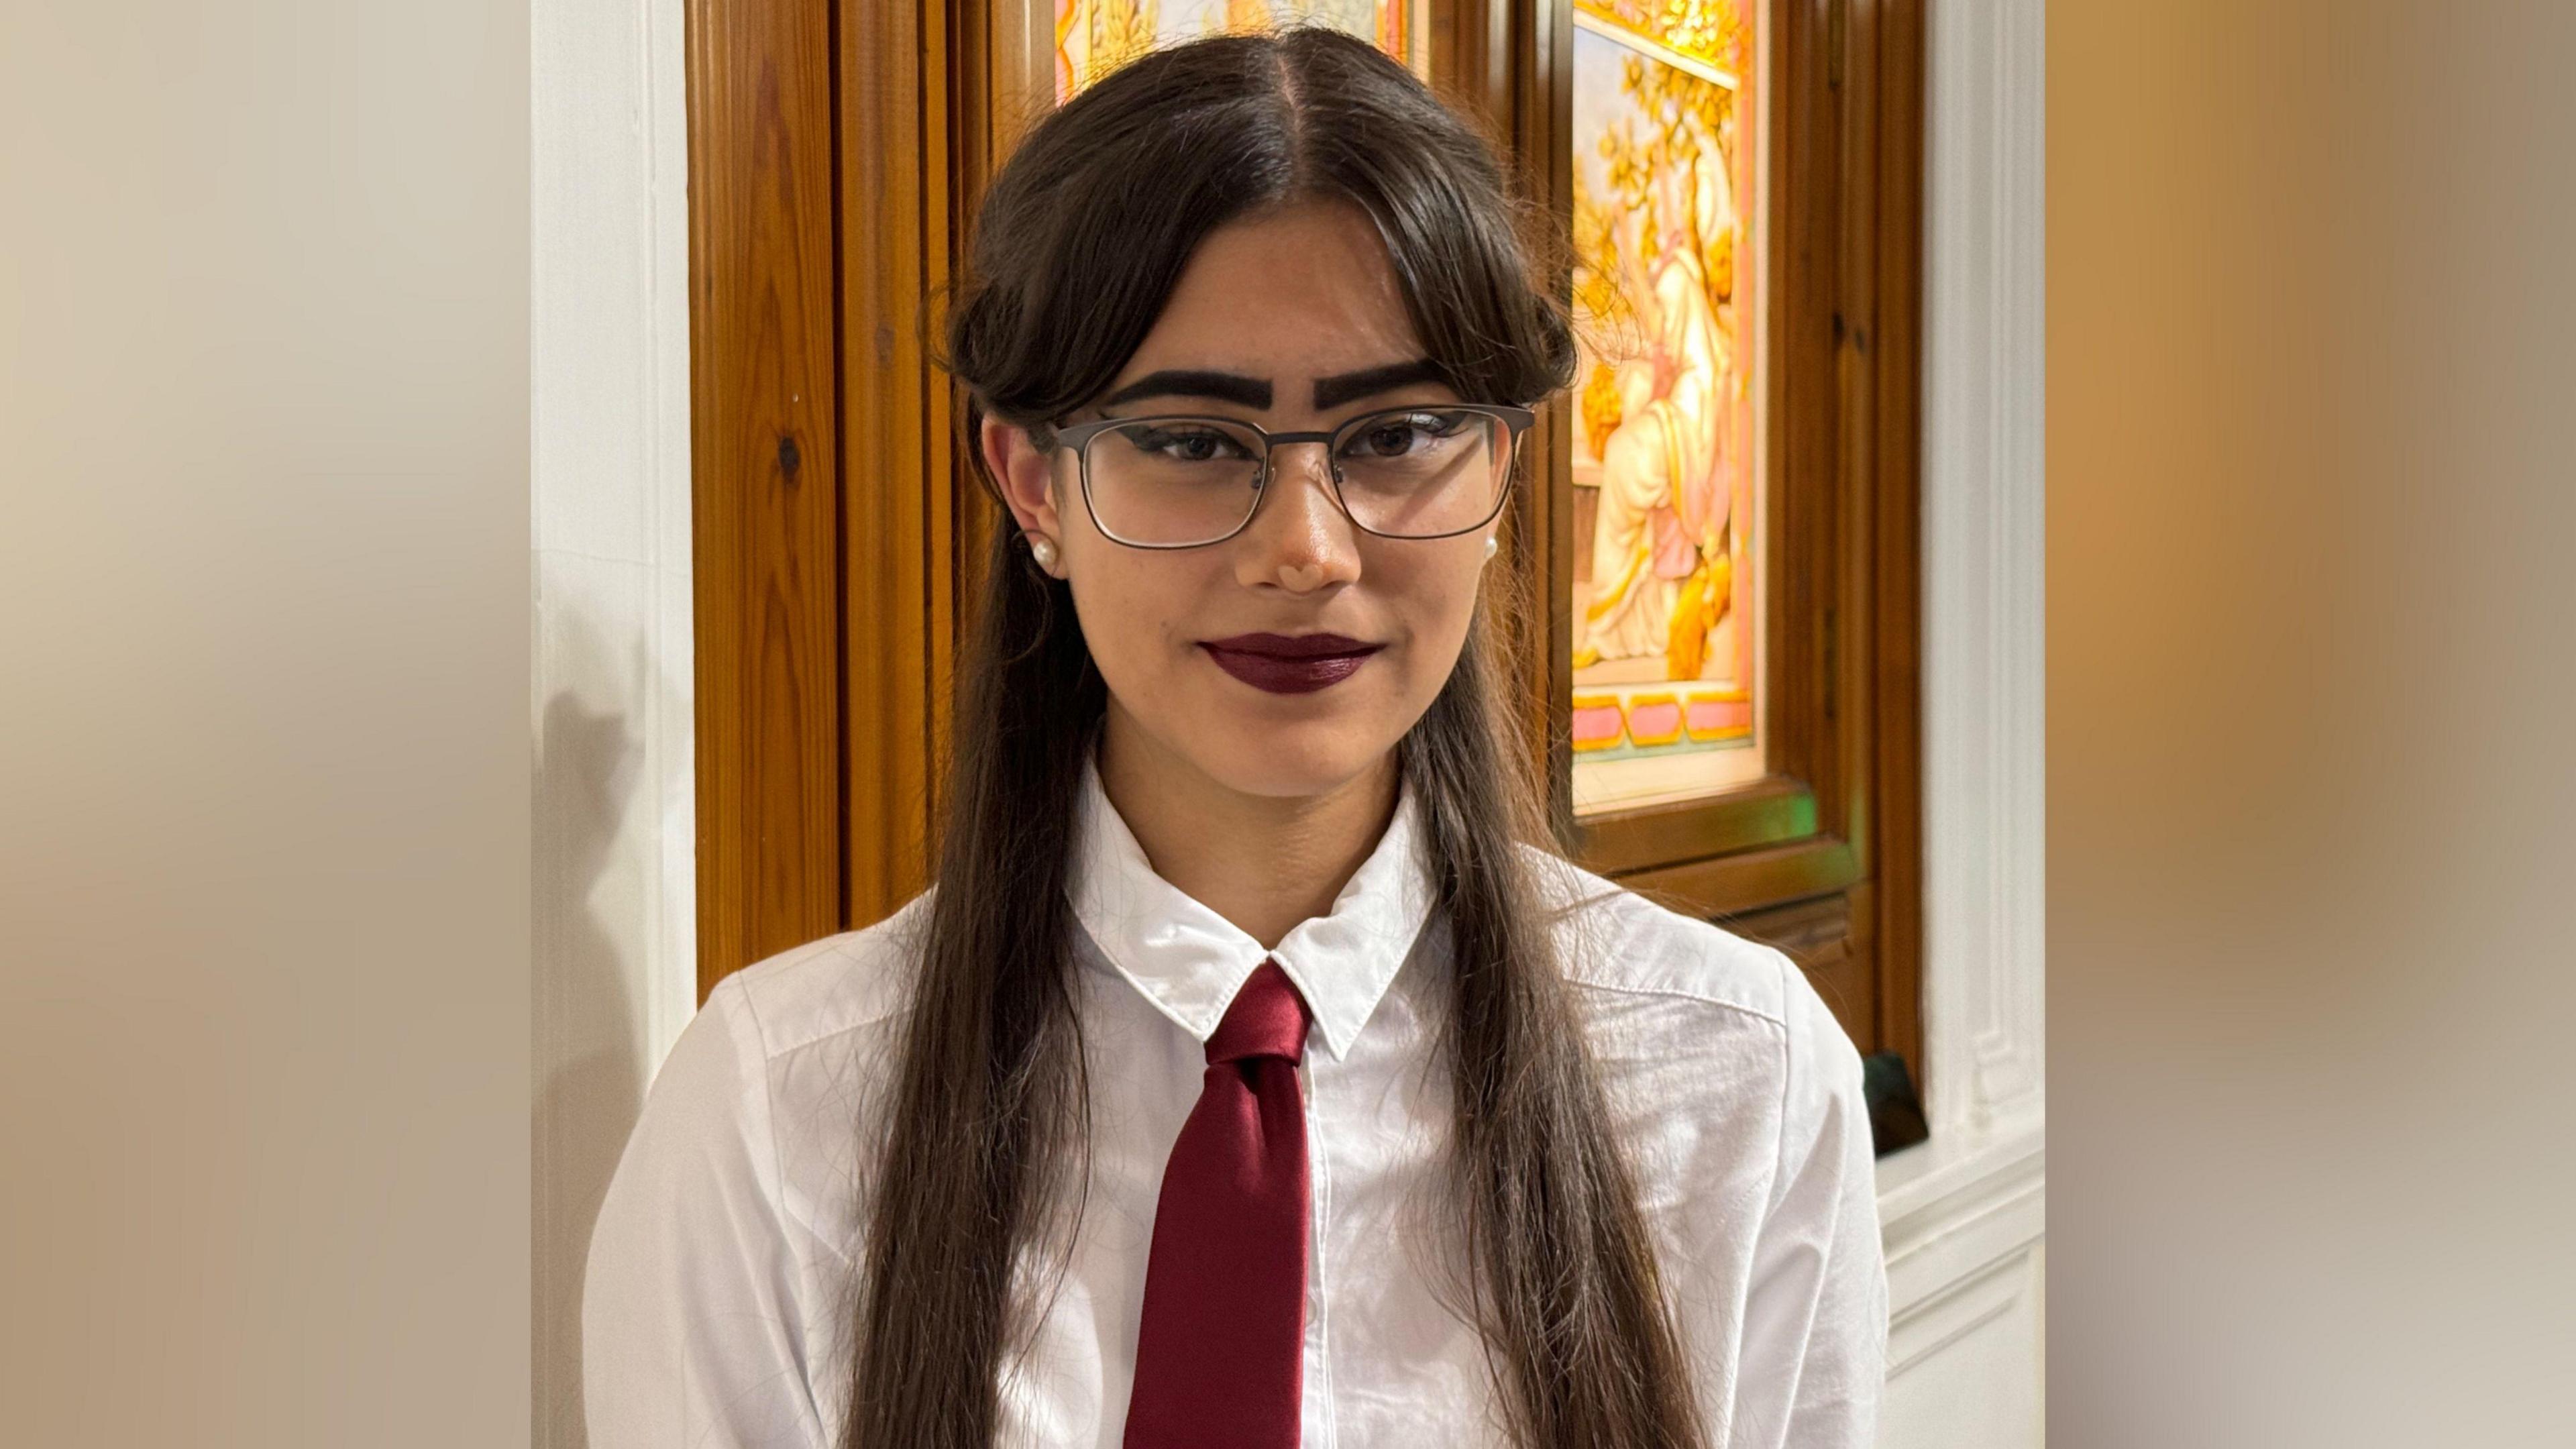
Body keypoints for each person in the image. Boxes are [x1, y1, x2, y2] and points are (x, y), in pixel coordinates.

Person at [582, 26, 1884, 1449]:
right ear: (1035, 486)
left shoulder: (1738, 1085)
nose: (1307, 550)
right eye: (1197, 442)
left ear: (1503, 468)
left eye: (1395, 436)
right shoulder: (780, 1118)